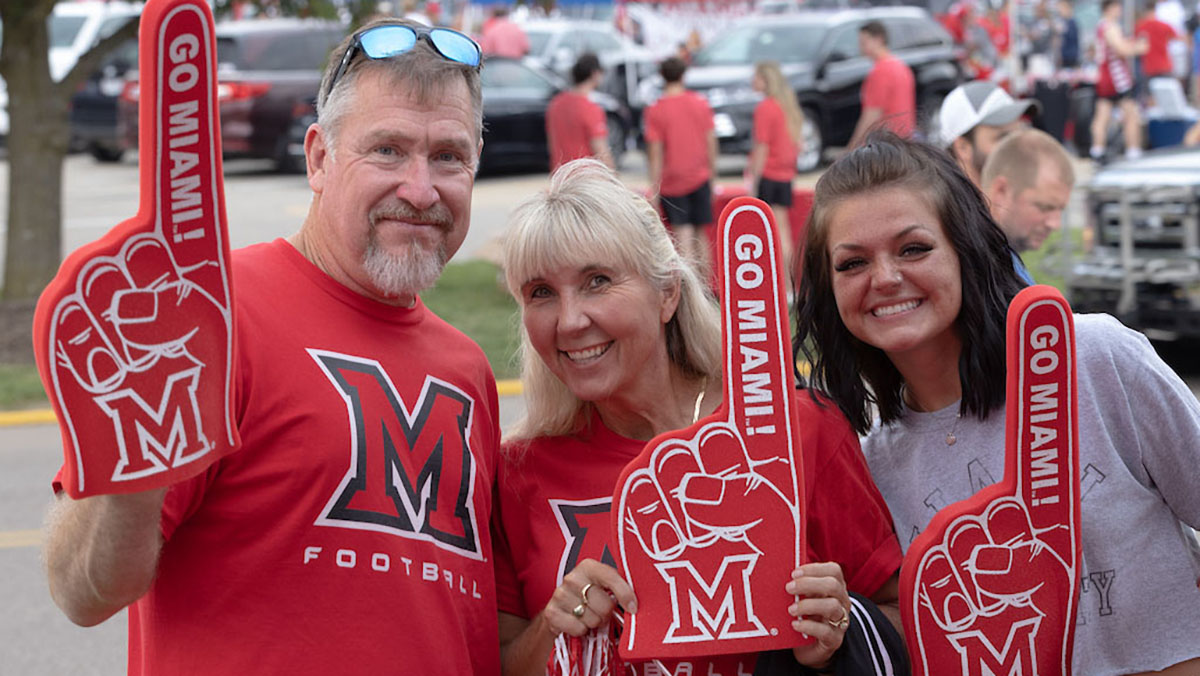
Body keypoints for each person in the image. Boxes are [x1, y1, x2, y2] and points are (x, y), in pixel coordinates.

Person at [42, 19, 503, 675]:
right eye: (388, 151)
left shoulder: (468, 372)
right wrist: (132, 458)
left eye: (449, 157)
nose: (421, 189)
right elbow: (80, 590)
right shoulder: (214, 318)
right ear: (319, 158)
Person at [795, 131, 1200, 676]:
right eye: (852, 263)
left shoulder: (1093, 359)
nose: (886, 278)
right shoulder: (873, 465)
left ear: (965, 249)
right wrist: (838, 627)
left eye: (913, 248)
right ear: (828, 290)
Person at [494, 159, 907, 676]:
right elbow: (503, 662)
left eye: (597, 281)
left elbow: (906, 618)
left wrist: (838, 633)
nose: (571, 320)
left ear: (667, 292)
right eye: (541, 293)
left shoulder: (796, 429)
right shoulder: (517, 472)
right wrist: (554, 624)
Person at [644, 56, 717, 271]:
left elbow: (655, 153)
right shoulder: (700, 103)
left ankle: (691, 292)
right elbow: (710, 141)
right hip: (700, 175)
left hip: (672, 180)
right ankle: (706, 291)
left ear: (662, 77)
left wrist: (654, 188)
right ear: (683, 75)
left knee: (683, 236)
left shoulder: (656, 110)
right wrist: (711, 174)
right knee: (701, 235)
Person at [980, 128, 1075, 284]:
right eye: (1044, 207)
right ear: (1001, 191)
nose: (1055, 224)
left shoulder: (1002, 264)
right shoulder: (975, 273)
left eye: (1060, 210)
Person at [747, 61, 803, 271]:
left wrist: (754, 178)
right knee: (784, 231)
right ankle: (789, 286)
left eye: (757, 77)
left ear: (766, 80)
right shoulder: (787, 106)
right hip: (785, 174)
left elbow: (761, 146)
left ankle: (781, 283)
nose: (753, 81)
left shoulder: (765, 108)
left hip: (769, 173)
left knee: (774, 233)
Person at [938, 79, 1040, 187]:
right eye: (1003, 137)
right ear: (963, 148)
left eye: (1020, 133)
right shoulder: (943, 202)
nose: (1018, 146)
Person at [1091, 0, 1149, 162]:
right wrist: (1139, 48)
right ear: (1110, 8)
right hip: (1117, 79)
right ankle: (1133, 151)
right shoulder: (1110, 26)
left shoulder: (1102, 26)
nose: (1120, 10)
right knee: (1131, 115)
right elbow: (1121, 49)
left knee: (1102, 115)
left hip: (1106, 77)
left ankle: (1097, 151)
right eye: (1117, 7)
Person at [848, 20, 916, 149]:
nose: (861, 48)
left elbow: (870, 116)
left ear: (879, 39)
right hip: (904, 141)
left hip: (884, 146)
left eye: (864, 42)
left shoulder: (880, 72)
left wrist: (852, 147)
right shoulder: (901, 67)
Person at [546, 53, 613, 172]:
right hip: (585, 179)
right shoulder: (590, 108)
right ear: (595, 73)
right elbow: (601, 151)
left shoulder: (555, 104)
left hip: (561, 176)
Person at [1136, 0, 1180, 95]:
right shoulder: (1164, 25)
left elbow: (1136, 44)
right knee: (1168, 96)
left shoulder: (1140, 27)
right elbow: (1176, 38)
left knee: (1151, 98)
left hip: (1149, 68)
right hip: (1164, 65)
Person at [1055, 0, 1080, 68]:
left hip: (1071, 57)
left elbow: (1072, 38)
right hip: (1064, 57)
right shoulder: (1062, 21)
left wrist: (1063, 31)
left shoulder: (1072, 22)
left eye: (1062, 8)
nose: (1060, 11)